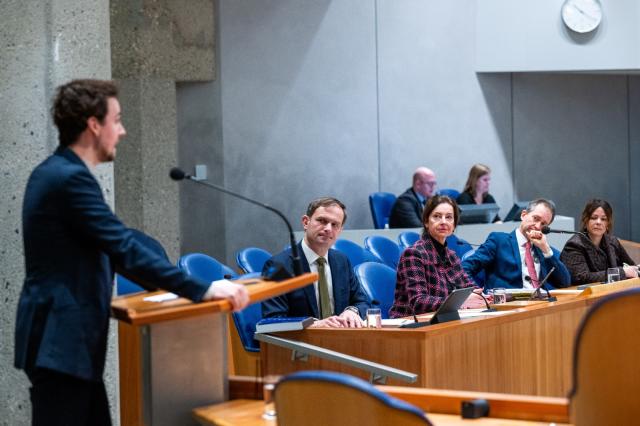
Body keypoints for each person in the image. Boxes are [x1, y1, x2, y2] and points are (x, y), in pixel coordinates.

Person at [14, 79, 249, 426]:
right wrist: (203, 289)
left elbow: (116, 247)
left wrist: (164, 287)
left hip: (67, 344)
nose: (122, 131)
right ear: (94, 125)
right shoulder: (68, 179)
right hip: (60, 342)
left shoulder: (62, 173)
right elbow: (122, 247)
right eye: (117, 120)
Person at [262, 197, 371, 328]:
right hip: (300, 344)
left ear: (340, 230)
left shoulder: (341, 260)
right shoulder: (278, 265)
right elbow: (272, 320)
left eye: (335, 224)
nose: (328, 228)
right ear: (305, 222)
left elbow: (362, 302)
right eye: (322, 221)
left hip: (341, 339)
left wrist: (352, 311)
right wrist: (314, 324)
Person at [389, 195, 487, 318]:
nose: (443, 222)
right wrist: (460, 301)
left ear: (454, 225)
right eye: (437, 216)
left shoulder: (451, 256)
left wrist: (480, 296)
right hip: (411, 324)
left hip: (441, 320)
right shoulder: (414, 254)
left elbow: (469, 288)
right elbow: (418, 302)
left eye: (449, 217)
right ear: (426, 221)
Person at [462, 198, 571, 290]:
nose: (538, 226)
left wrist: (546, 250)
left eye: (543, 224)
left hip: (539, 305)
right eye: (535, 218)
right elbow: (464, 269)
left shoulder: (543, 249)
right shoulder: (499, 241)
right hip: (509, 306)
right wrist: (477, 294)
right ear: (523, 215)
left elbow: (565, 283)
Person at [560, 199, 638, 285]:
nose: (598, 222)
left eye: (603, 219)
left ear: (608, 224)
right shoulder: (574, 245)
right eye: (594, 218)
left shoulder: (612, 241)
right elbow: (581, 277)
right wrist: (622, 272)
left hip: (611, 291)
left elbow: (631, 266)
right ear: (586, 221)